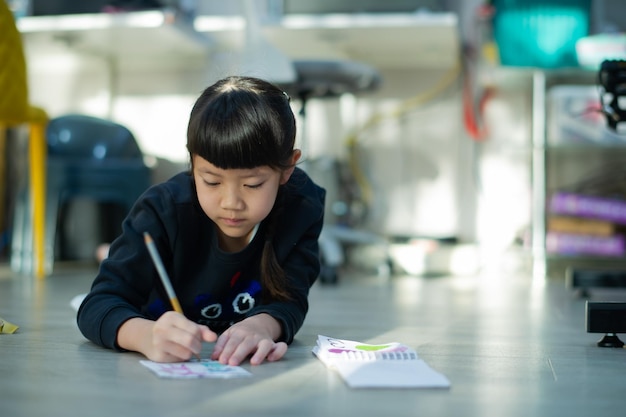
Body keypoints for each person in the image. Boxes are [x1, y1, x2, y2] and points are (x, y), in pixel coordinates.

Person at [77, 76, 326, 366]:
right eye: (211, 181)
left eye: (253, 184)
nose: (231, 202)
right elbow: (96, 306)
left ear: (287, 169)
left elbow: (290, 299)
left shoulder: (301, 206)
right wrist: (145, 336)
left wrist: (263, 325)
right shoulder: (161, 211)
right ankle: (106, 251)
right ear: (192, 163)